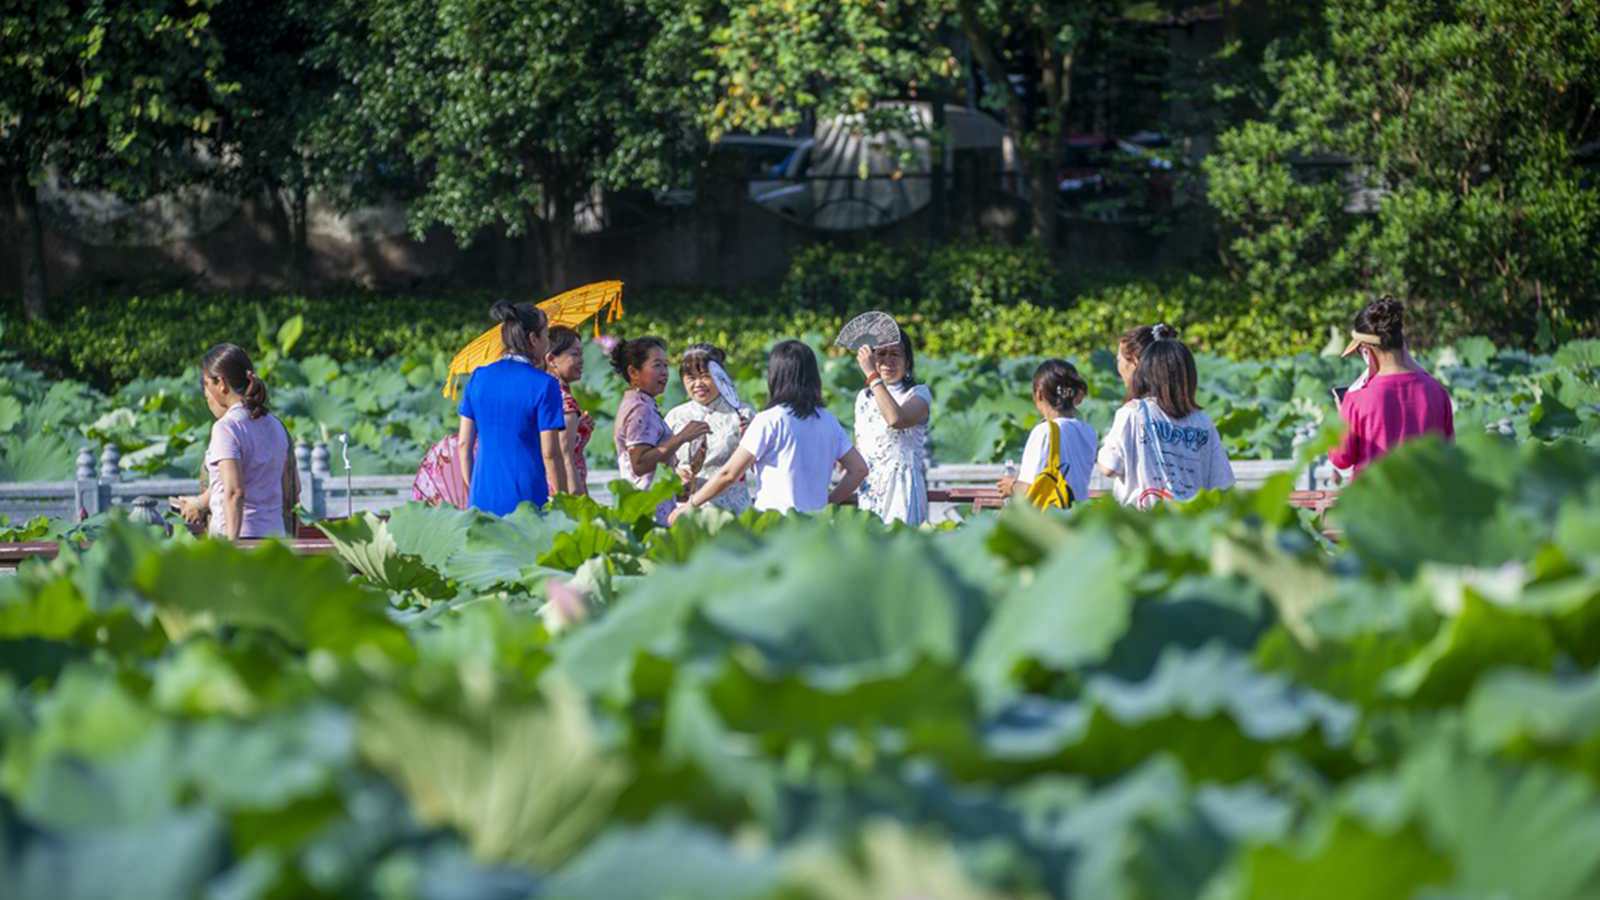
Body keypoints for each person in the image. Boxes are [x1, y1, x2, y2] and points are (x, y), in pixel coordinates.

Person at [672, 340, 868, 518]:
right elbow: (859, 469)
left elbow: (729, 474)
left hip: (776, 523)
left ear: (775, 376)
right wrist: (828, 503)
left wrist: (691, 503)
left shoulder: (769, 419)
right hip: (815, 523)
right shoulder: (829, 420)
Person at [1097, 330, 1235, 508]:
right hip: (1190, 520)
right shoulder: (1203, 421)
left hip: (1146, 521)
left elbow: (1110, 467)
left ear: (1145, 370)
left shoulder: (1132, 413)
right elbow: (1222, 483)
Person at [175, 343, 298, 539]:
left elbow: (235, 492)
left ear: (221, 383)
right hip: (276, 539)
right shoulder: (276, 425)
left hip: (241, 537)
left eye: (206, 384)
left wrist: (232, 549)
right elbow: (292, 488)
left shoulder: (227, 428)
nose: (205, 392)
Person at [457, 302, 568, 515]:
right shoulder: (546, 385)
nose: (548, 342)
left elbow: (464, 444)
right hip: (527, 494)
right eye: (546, 335)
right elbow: (550, 453)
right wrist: (563, 501)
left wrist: (474, 492)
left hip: (482, 495)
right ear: (533, 339)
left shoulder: (478, 377)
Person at [1328, 296, 1454, 474]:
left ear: (1366, 349)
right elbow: (1449, 453)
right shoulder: (1437, 391)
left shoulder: (1356, 398)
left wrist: (1342, 420)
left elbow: (1341, 459)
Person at [611, 337, 711, 524]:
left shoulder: (641, 403)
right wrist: (682, 437)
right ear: (633, 371)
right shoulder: (640, 409)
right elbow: (639, 464)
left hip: (653, 503)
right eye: (657, 366)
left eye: (665, 366)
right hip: (647, 508)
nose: (665, 373)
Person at [665, 343, 756, 514]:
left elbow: (760, 467)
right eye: (691, 378)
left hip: (732, 510)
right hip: (683, 511)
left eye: (705, 376)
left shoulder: (743, 414)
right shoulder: (674, 417)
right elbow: (661, 463)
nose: (698, 384)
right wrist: (677, 473)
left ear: (721, 377)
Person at [853, 330, 931, 525]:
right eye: (881, 354)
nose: (887, 361)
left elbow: (896, 419)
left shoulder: (919, 394)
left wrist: (872, 375)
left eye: (895, 354)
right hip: (870, 488)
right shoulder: (863, 398)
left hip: (902, 488)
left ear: (908, 361)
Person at [997, 359, 1097, 506]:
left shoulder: (1044, 431)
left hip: (1049, 520)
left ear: (1039, 394)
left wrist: (1011, 486)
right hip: (1077, 518)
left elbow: (1032, 492)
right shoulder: (1088, 432)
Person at [544, 326, 593, 496]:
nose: (581, 360)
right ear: (551, 359)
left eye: (581, 354)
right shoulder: (564, 401)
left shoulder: (542, 394)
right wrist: (578, 502)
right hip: (563, 492)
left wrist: (578, 432)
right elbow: (565, 458)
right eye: (574, 354)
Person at [1115, 323, 1161, 401]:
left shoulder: (1133, 411)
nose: (1118, 367)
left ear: (1134, 361)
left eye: (1119, 360)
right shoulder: (1186, 409)